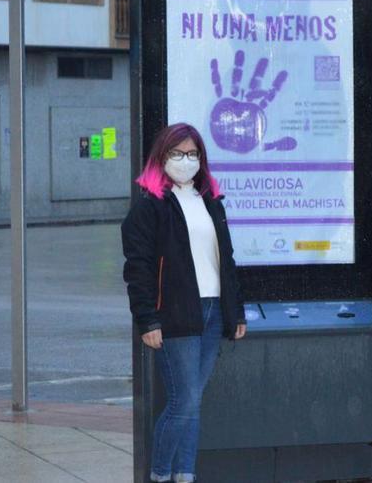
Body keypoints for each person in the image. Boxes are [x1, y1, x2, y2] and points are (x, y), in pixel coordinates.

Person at [122, 123, 247, 483]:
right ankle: (160, 475)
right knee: (185, 402)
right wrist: (147, 321)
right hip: (176, 315)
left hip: (212, 311)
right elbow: (138, 270)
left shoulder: (210, 202)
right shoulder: (150, 208)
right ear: (161, 158)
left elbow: (228, 260)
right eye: (177, 153)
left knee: (192, 406)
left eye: (193, 154)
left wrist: (235, 311)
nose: (186, 160)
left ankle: (184, 475)